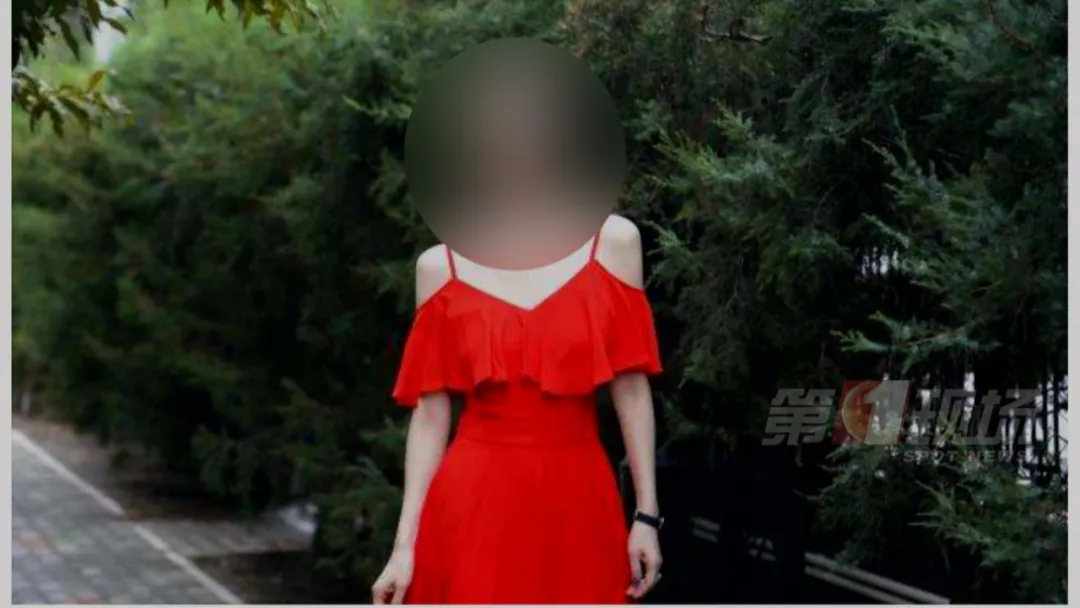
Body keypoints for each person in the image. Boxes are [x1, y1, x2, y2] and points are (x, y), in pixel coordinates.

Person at [372, 60, 663, 605]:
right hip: (471, 504)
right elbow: (430, 418)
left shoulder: (614, 244)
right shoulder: (439, 267)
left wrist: (646, 515)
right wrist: (404, 546)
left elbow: (631, 388)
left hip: (579, 500)